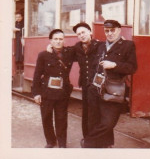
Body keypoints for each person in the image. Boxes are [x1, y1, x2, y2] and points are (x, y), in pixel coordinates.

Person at [82, 20, 137, 148]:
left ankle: (88, 142)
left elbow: (132, 68)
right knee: (94, 121)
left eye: (113, 30)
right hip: (95, 89)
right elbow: (84, 52)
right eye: (107, 31)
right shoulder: (100, 46)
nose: (110, 33)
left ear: (119, 30)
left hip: (113, 90)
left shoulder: (127, 45)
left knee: (108, 123)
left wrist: (115, 65)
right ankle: (101, 147)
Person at [47, 23, 102, 138]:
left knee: (99, 113)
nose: (81, 35)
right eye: (79, 34)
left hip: (99, 85)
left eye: (83, 32)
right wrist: (51, 48)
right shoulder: (77, 47)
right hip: (86, 85)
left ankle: (102, 141)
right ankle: (87, 138)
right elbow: (64, 51)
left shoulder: (100, 45)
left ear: (90, 32)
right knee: (86, 113)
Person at [32, 29, 73, 148]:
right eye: (55, 39)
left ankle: (61, 142)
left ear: (64, 40)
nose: (58, 41)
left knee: (61, 118)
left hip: (62, 93)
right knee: (46, 117)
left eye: (61, 39)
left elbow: (81, 48)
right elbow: (37, 75)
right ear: (50, 40)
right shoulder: (43, 55)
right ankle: (50, 141)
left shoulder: (69, 53)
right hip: (46, 92)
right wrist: (36, 93)